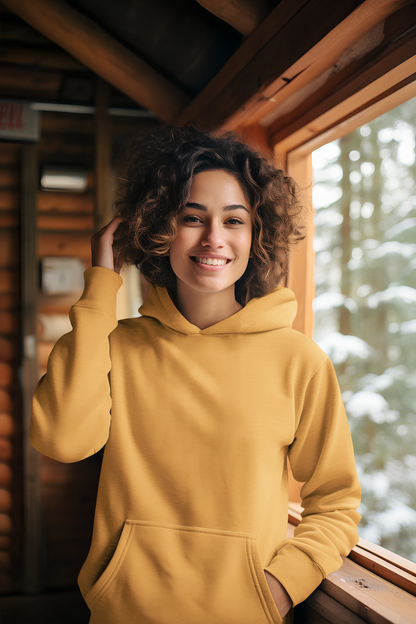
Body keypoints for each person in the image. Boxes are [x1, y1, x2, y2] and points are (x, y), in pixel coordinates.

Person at [30, 124, 361, 624]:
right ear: (159, 227)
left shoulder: (300, 361)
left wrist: (279, 587)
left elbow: (336, 504)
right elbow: (63, 439)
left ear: (257, 234)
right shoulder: (115, 346)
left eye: (234, 220)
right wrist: (100, 287)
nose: (213, 238)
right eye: (192, 217)